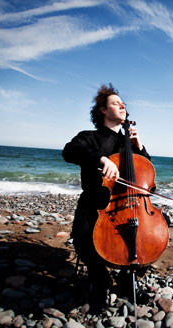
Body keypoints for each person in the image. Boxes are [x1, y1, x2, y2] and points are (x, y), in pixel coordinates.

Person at [62, 83, 151, 311]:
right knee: (82, 236)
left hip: (130, 204)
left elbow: (146, 170)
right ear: (103, 110)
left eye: (123, 104)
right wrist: (101, 159)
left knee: (152, 233)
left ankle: (126, 278)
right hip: (94, 203)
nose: (122, 105)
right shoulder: (89, 137)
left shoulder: (128, 144)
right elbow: (69, 151)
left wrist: (138, 147)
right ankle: (100, 279)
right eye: (115, 103)